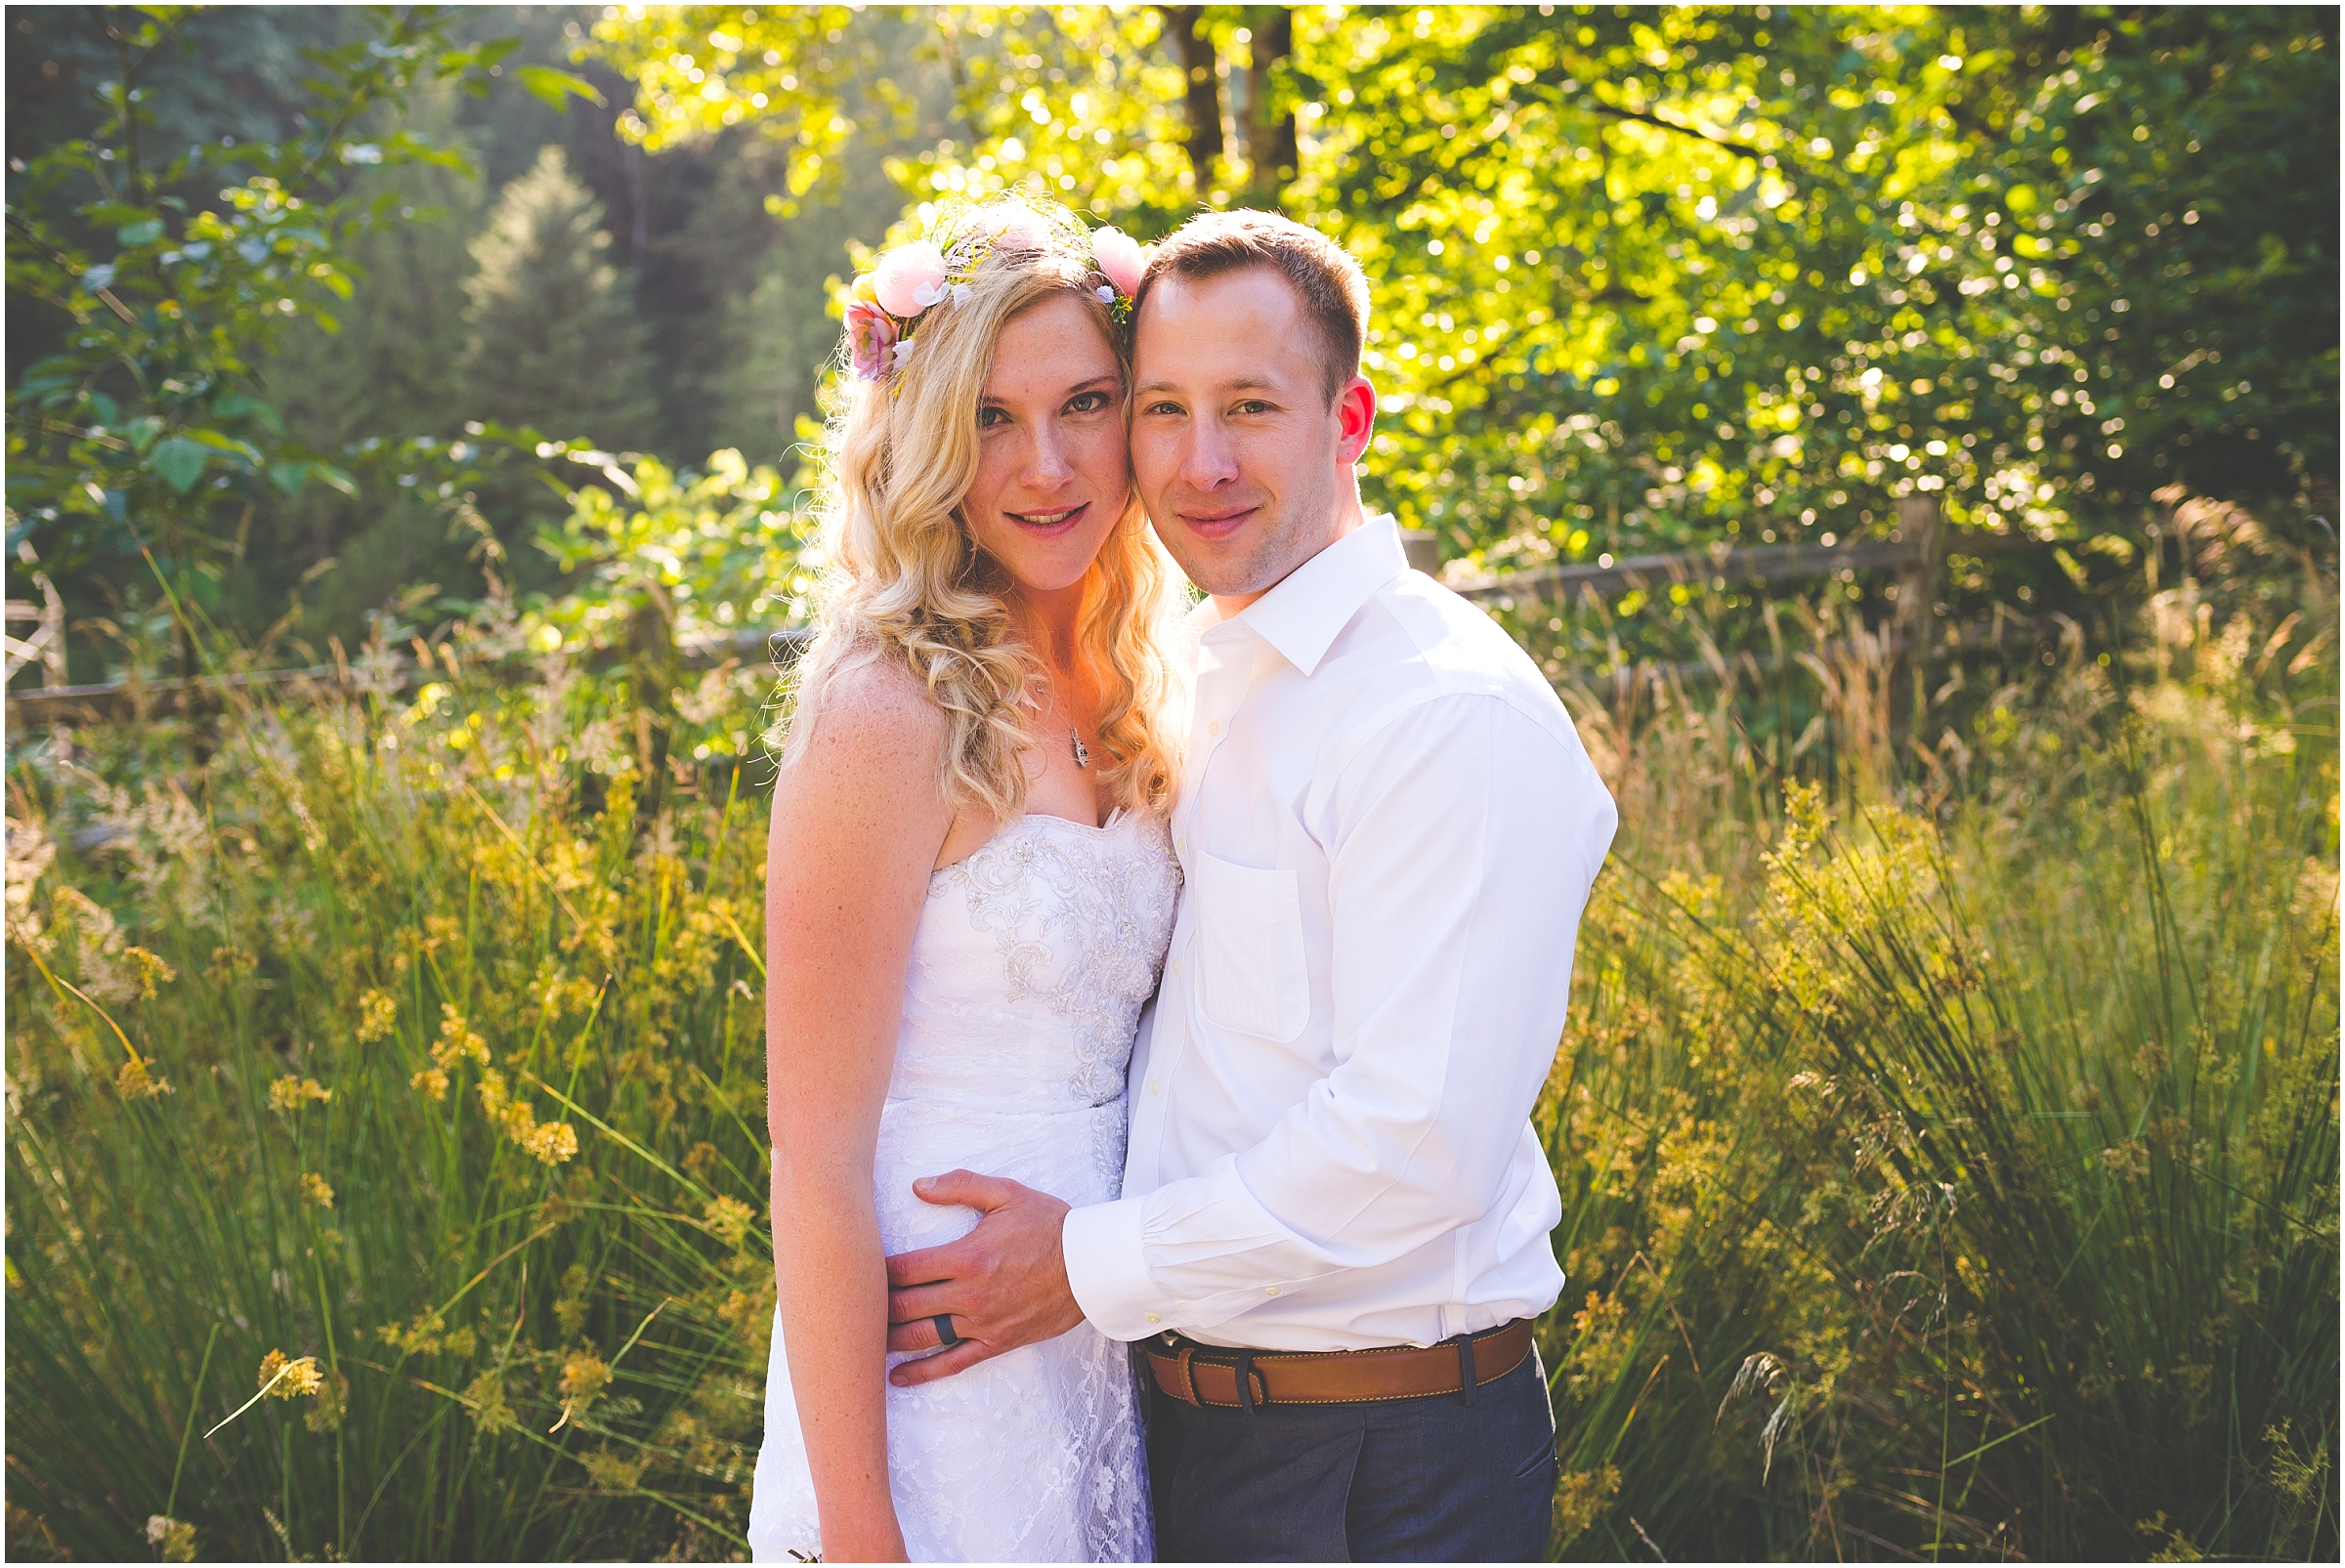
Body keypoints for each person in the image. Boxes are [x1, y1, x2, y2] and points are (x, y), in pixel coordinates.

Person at [881, 210, 1620, 1561]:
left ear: (1351, 419)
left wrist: (1080, 1264)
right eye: (1160, 409)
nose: (1201, 462)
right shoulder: (1199, 680)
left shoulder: (1439, 712)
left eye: (1251, 407)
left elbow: (1419, 1144)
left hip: (1383, 1461)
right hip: (1192, 1434)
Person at [746, 200, 1187, 1563]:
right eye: (992, 417)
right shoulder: (887, 708)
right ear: (927, 433)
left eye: (1085, 403)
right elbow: (813, 1167)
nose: (1046, 464)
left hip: (1096, 1338)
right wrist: (871, 1537)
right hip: (927, 1401)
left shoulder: (1144, 679)